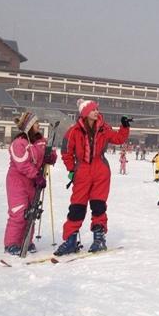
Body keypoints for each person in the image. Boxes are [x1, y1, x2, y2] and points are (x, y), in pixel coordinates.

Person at [54, 100, 130, 256]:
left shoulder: (104, 128)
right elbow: (66, 152)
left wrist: (124, 126)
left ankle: (99, 238)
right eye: (93, 109)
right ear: (84, 113)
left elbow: (118, 139)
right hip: (82, 171)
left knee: (98, 205)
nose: (97, 112)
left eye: (97, 109)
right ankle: (71, 240)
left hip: (100, 170)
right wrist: (72, 170)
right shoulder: (73, 131)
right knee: (77, 207)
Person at [4, 112, 57, 255]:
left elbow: (51, 155)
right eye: (36, 123)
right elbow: (22, 165)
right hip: (18, 181)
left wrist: (50, 156)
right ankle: (11, 243)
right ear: (28, 126)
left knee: (31, 211)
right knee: (19, 212)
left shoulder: (41, 141)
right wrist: (36, 175)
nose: (38, 125)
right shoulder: (18, 143)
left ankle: (26, 240)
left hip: (34, 182)